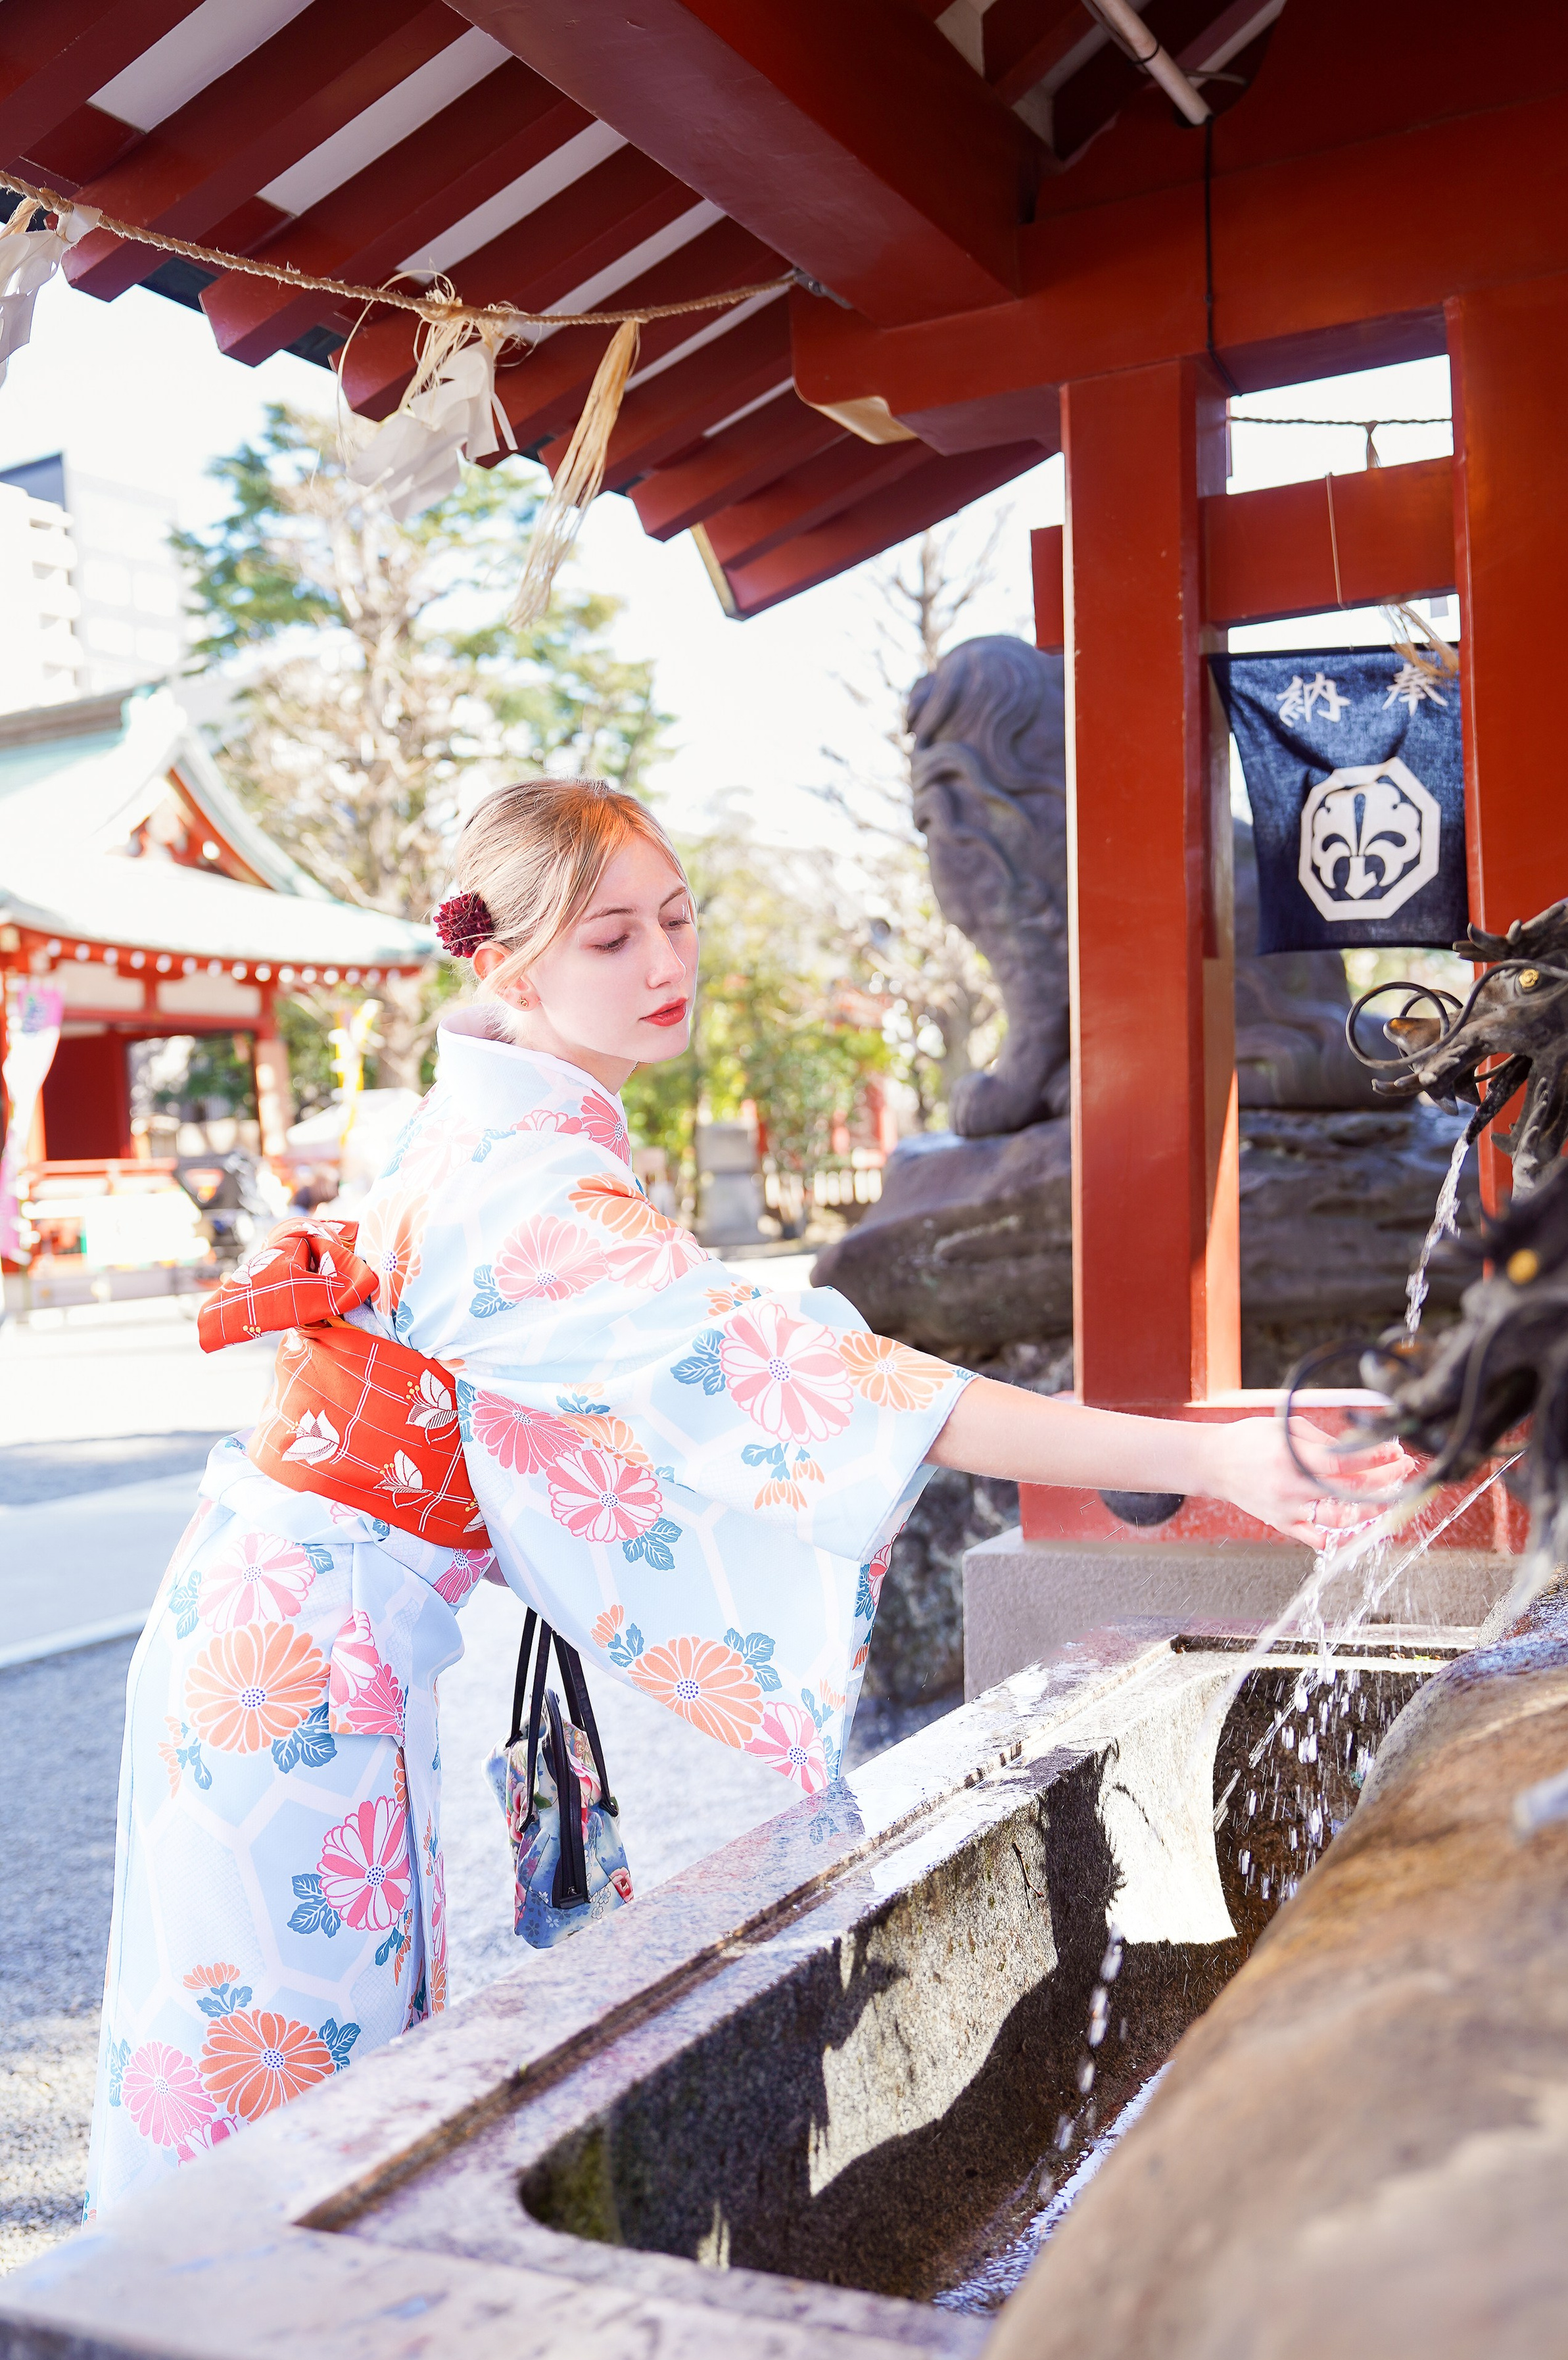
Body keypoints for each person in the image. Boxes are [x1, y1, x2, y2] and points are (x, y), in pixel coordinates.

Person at [86, 779, 1403, 2217]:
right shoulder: (534, 1206)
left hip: (271, 1625)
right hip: (299, 1669)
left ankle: (175, 2356)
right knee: (284, 2085)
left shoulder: (449, 1128)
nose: (664, 967)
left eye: (675, 919)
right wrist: (1207, 1457)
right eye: (607, 940)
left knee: (239, 2046)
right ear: (503, 963)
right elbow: (845, 1392)